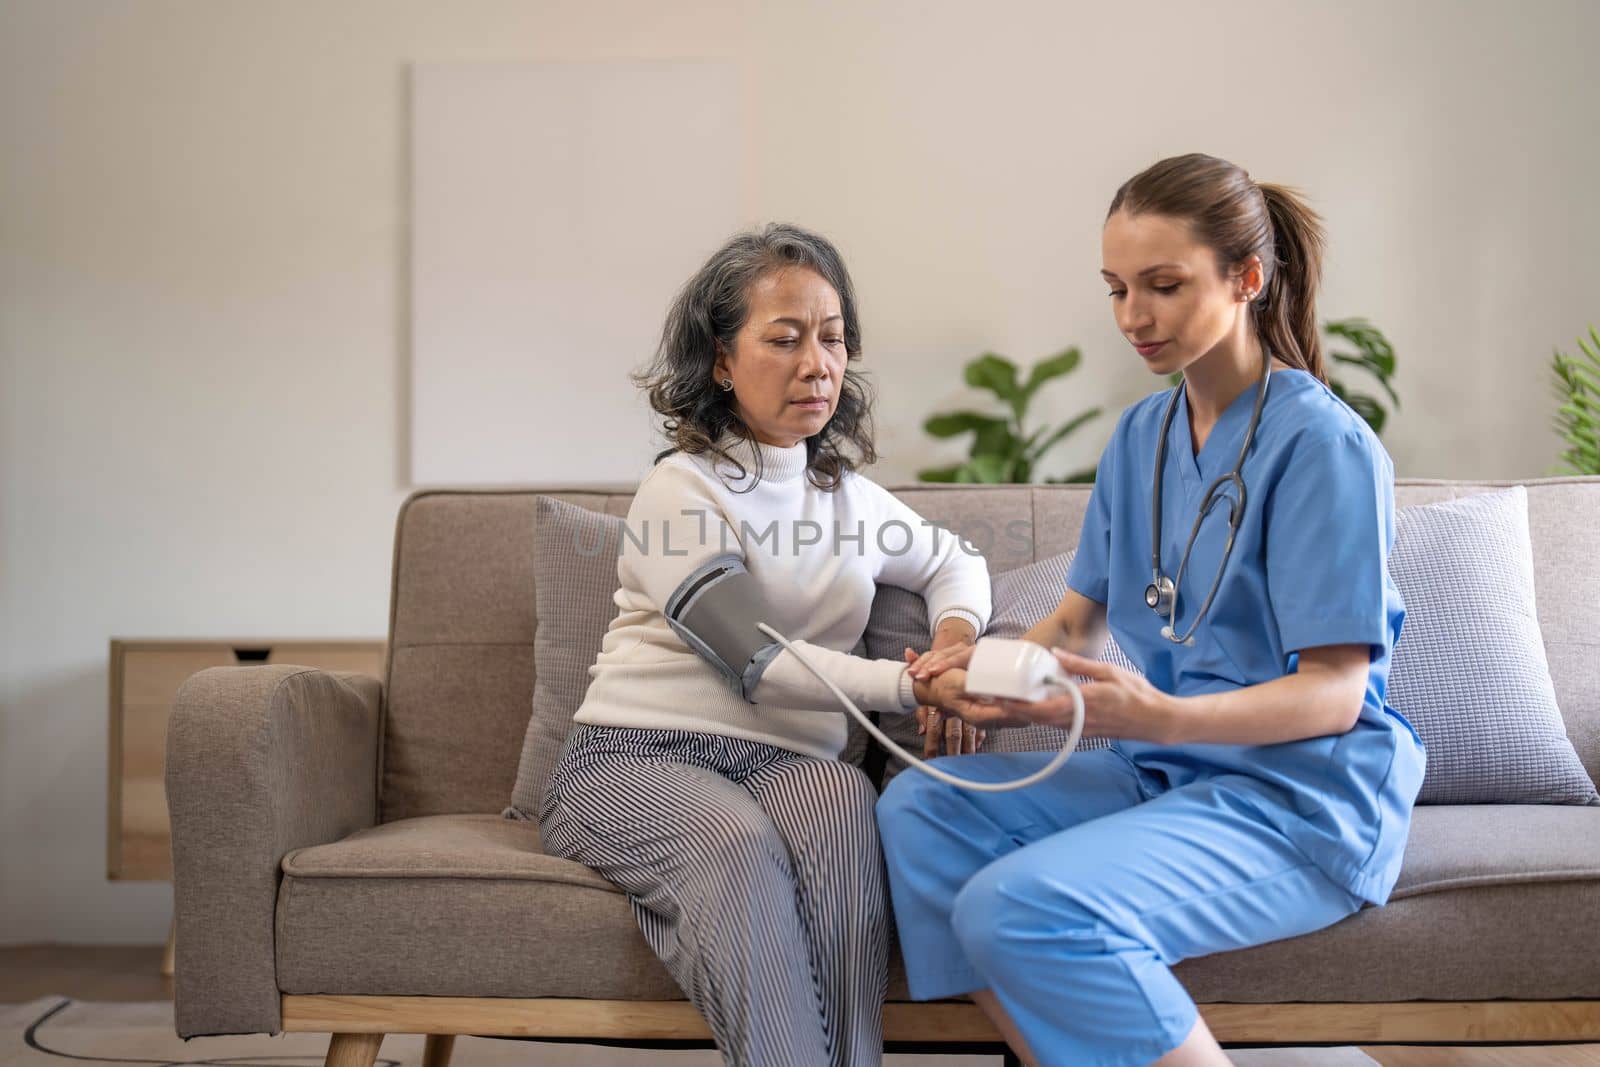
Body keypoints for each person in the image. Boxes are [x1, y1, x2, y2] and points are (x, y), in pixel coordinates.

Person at [877, 153, 1427, 1067]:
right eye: (1118, 288)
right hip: (1170, 770)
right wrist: (987, 676)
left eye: (1164, 286)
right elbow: (1077, 626)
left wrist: (1157, 713)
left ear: (1247, 278)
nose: (1135, 316)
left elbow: (1333, 694)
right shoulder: (1141, 437)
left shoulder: (1324, 446)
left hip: (1299, 796)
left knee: (1019, 900)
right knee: (922, 811)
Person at [538, 222, 995, 1066]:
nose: (816, 363)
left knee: (846, 819)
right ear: (720, 360)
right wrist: (912, 689)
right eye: (783, 339)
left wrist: (954, 645)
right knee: (737, 847)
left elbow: (955, 563)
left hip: (791, 761)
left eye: (832, 338)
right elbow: (758, 659)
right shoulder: (680, 487)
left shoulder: (847, 496)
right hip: (633, 760)